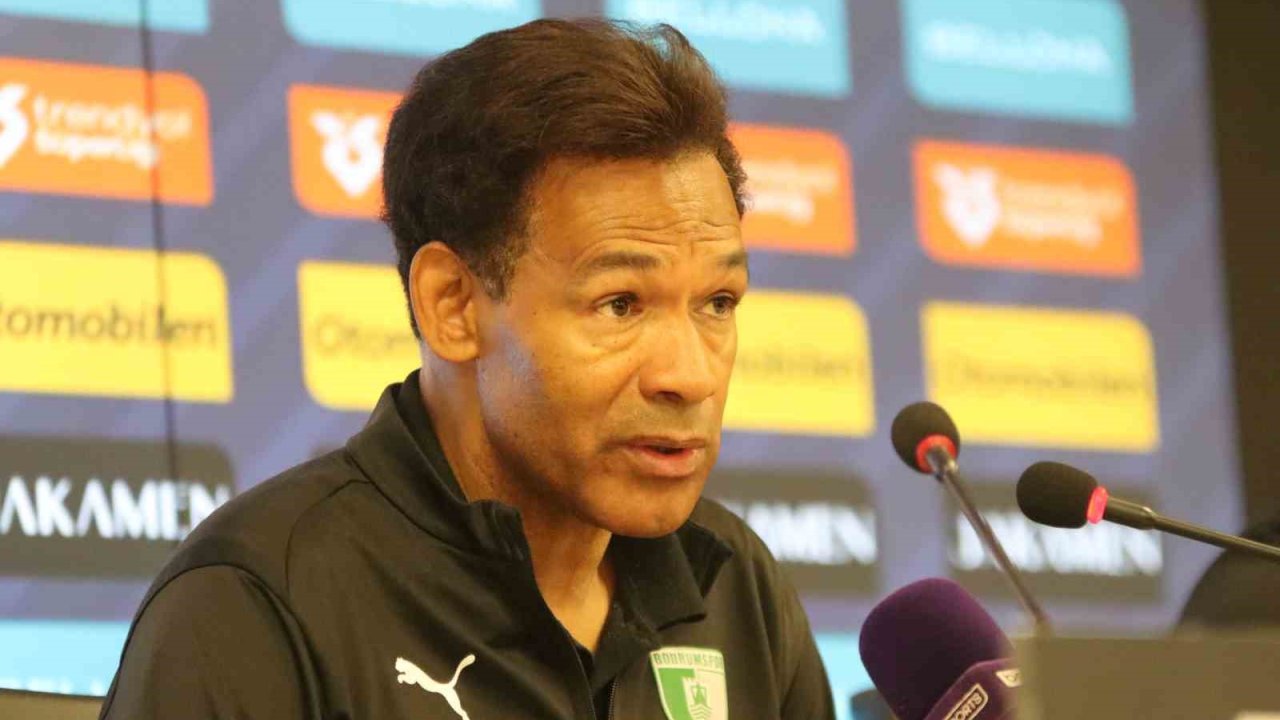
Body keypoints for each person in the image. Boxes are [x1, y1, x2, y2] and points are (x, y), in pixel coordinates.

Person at [99, 18, 835, 720]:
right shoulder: (258, 604)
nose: (691, 376)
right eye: (620, 305)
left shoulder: (738, 588)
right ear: (452, 304)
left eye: (717, 302)